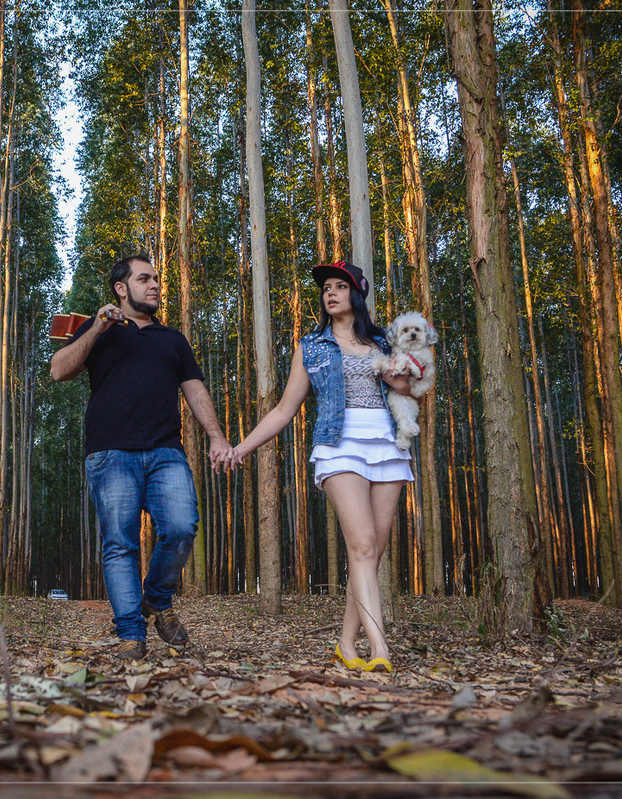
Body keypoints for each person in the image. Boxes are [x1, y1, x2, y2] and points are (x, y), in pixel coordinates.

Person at [220, 261, 413, 673]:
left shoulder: (384, 341)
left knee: (372, 554)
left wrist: (404, 375)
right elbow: (285, 409)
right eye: (326, 288)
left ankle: (346, 643)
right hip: (338, 445)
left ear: (356, 294)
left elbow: (411, 391)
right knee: (361, 546)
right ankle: (381, 649)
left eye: (340, 286)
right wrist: (241, 448)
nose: (330, 293)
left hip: (388, 445)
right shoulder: (311, 347)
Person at [51, 254, 231, 662]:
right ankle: (132, 634)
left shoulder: (173, 340)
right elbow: (59, 371)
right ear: (121, 288)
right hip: (110, 452)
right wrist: (97, 325)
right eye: (144, 278)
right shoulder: (97, 330)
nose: (154, 285)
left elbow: (196, 391)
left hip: (166, 451)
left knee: (183, 528)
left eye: (156, 279)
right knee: (120, 544)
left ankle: (155, 599)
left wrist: (216, 437)